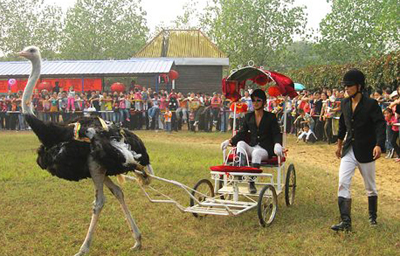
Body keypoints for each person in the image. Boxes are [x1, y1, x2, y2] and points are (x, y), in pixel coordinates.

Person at [331, 69, 386, 232]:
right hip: (349, 150)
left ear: (359, 86)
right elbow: (342, 125)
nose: (346, 89)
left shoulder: (371, 104)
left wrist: (378, 144)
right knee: (342, 182)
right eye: (345, 86)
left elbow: (380, 125)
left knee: (370, 186)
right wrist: (339, 145)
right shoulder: (345, 103)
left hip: (367, 150)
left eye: (349, 86)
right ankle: (346, 221)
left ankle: (372, 217)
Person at [220, 89, 284, 194]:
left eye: (258, 100)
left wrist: (277, 144)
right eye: (253, 100)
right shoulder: (248, 116)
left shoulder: (271, 117)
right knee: (241, 143)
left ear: (264, 102)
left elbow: (276, 133)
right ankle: (239, 171)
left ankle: (251, 182)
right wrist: (230, 141)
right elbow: (242, 133)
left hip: (264, 149)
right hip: (252, 146)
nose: (255, 103)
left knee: (256, 152)